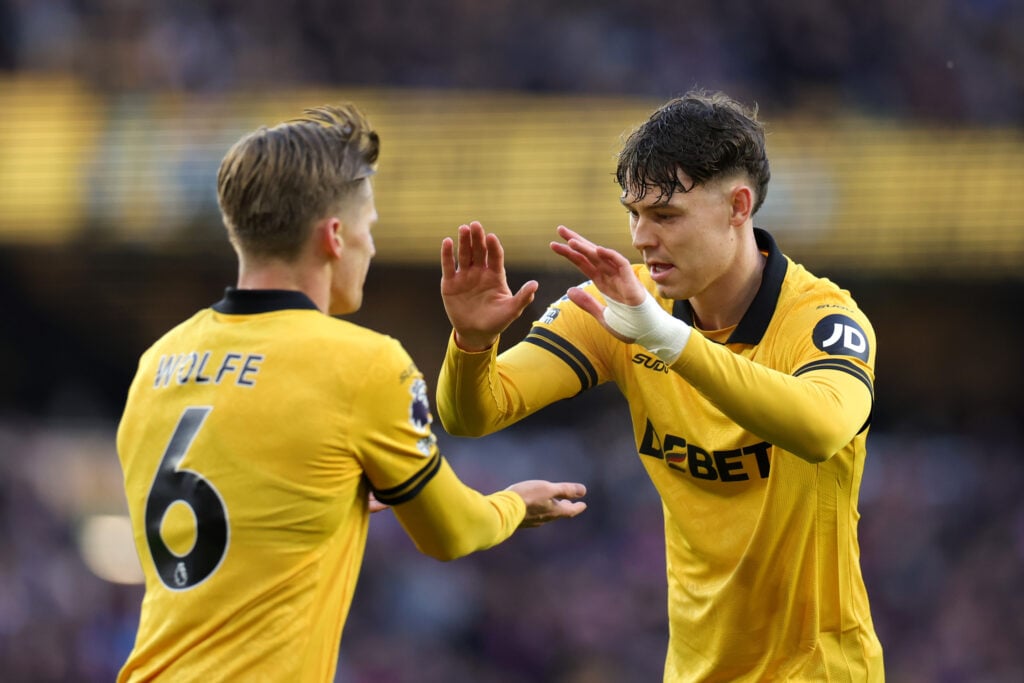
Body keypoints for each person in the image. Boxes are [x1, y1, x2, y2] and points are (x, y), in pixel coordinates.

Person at [114, 103, 587, 682]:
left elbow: (226, 510)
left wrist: (326, 494)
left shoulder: (158, 362)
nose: (371, 247)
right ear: (335, 237)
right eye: (369, 229)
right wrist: (515, 504)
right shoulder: (363, 364)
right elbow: (452, 532)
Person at [437, 89, 884, 681]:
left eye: (666, 216)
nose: (643, 237)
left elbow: (823, 428)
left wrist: (666, 339)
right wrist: (470, 345)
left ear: (738, 207)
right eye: (634, 213)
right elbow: (475, 415)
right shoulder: (620, 307)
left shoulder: (823, 319)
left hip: (819, 671)